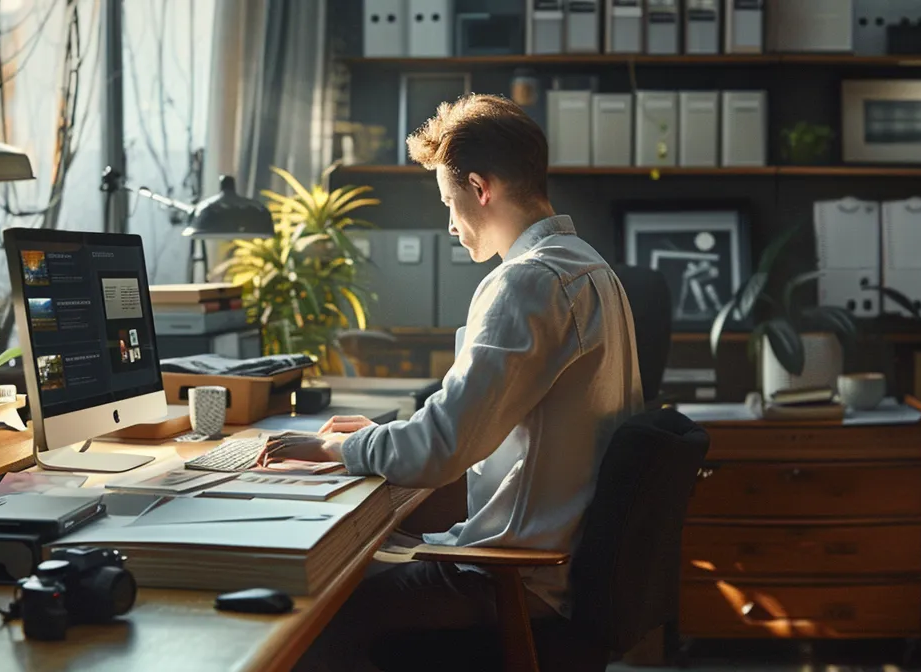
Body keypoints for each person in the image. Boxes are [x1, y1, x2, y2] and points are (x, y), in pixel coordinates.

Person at [266, 93, 643, 672]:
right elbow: (466, 424)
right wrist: (389, 435)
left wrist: (334, 447)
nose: (448, 222)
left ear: (479, 187)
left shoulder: (528, 284)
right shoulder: (592, 270)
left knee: (315, 614)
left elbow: (441, 449)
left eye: (449, 200)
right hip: (557, 569)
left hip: (515, 581)